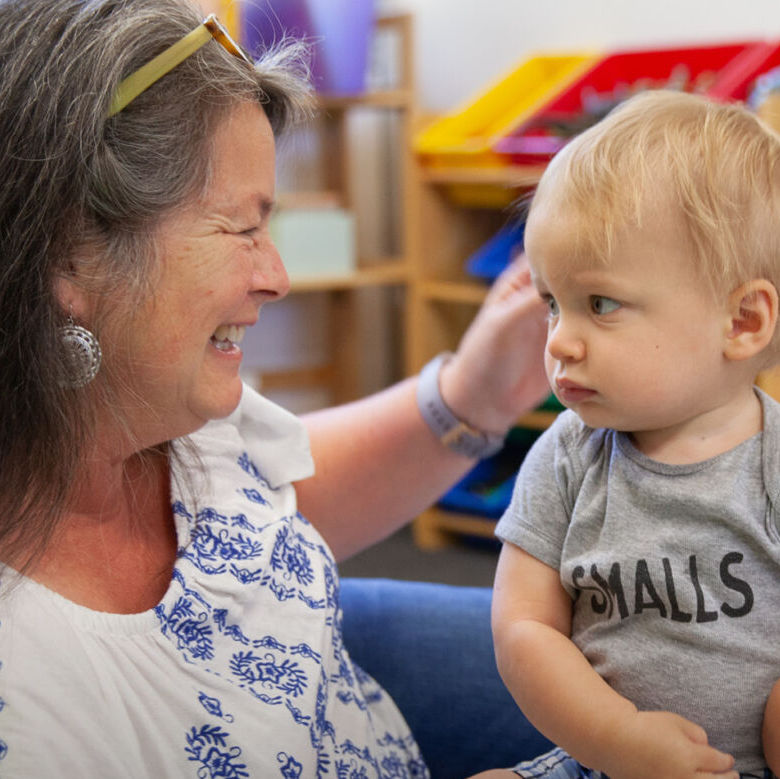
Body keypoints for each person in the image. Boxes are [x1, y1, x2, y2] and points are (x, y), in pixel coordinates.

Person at [0, 0, 551, 776]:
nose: (277, 277)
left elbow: (272, 496)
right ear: (67, 255)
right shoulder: (33, 703)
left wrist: (476, 392)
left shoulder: (169, 413)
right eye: (240, 228)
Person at [489, 89, 780, 779]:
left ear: (742, 322)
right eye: (552, 304)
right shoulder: (567, 456)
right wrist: (616, 738)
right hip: (601, 762)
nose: (560, 340)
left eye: (601, 304)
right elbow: (523, 627)